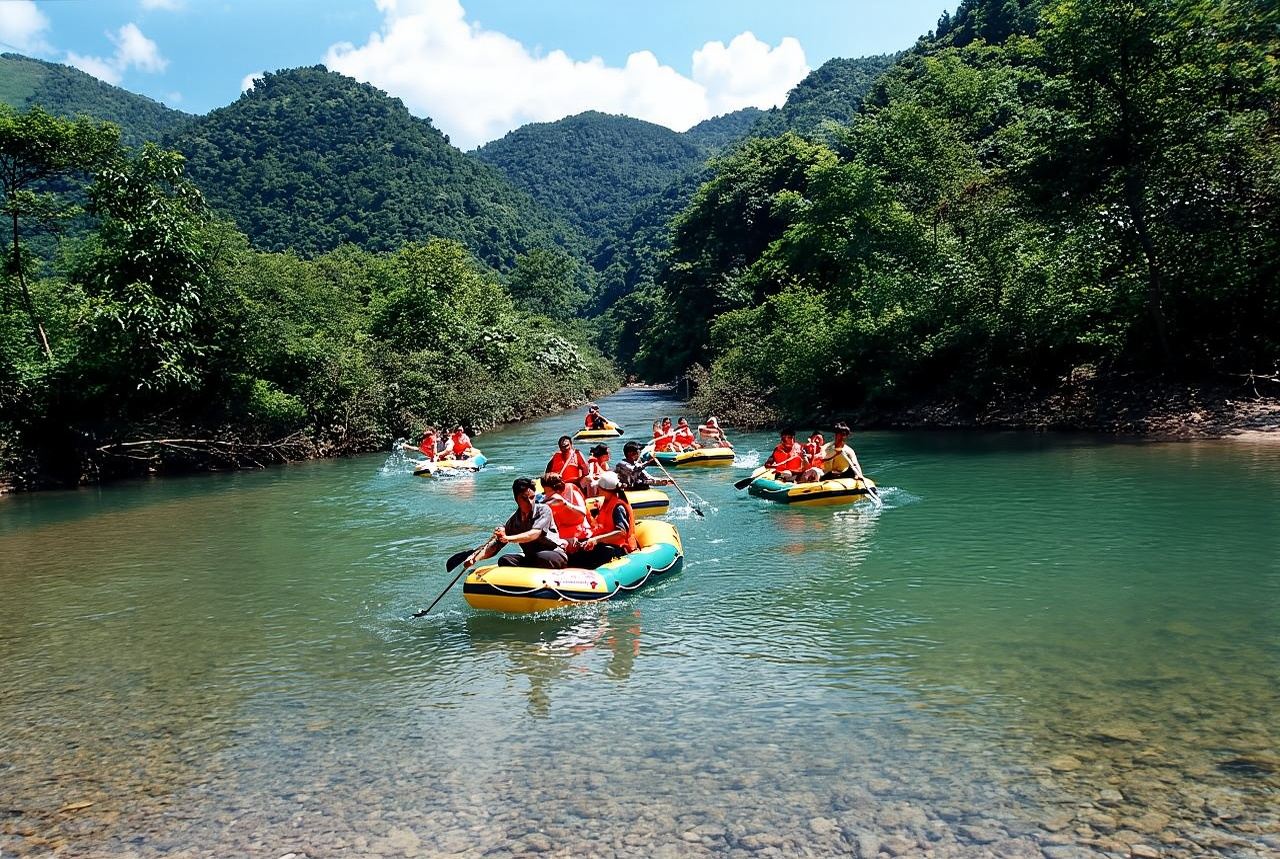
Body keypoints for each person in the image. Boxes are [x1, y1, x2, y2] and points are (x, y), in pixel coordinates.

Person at [468, 477, 568, 569]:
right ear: (516, 499)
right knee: (504, 560)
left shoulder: (543, 510)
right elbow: (496, 545)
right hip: (531, 557)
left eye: (532, 497)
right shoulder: (514, 521)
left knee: (540, 557)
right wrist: (475, 558)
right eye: (524, 498)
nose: (530, 502)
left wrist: (508, 538)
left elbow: (534, 534)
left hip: (553, 554)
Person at [569, 471, 637, 569]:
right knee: (578, 552)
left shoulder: (618, 507)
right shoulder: (606, 503)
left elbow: (621, 533)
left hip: (619, 548)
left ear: (606, 490)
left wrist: (596, 540)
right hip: (605, 544)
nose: (597, 489)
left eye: (599, 487)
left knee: (590, 556)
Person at [540, 472, 596, 546]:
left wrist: (565, 503)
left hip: (581, 534)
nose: (547, 494)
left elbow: (582, 513)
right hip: (561, 537)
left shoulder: (570, 489)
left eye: (549, 492)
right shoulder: (547, 499)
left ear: (558, 490)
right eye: (545, 491)